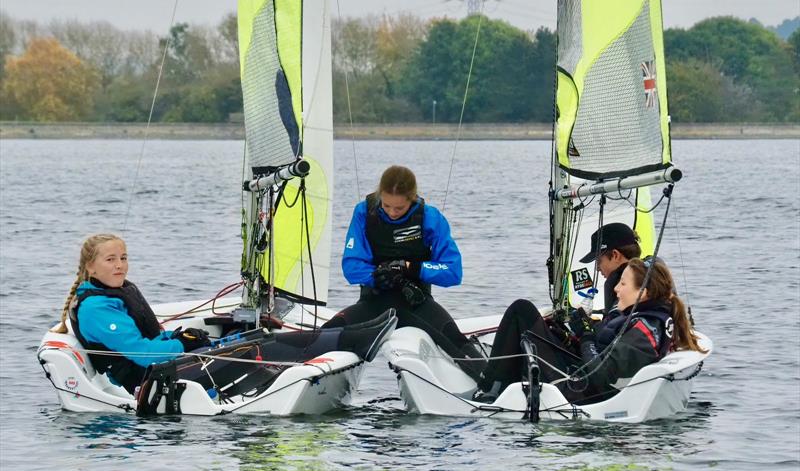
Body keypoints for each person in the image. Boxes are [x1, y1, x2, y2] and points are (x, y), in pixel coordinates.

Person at [52, 234, 398, 396]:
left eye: (123, 257)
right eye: (111, 259)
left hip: (163, 366)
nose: (120, 265)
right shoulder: (98, 307)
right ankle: (352, 338)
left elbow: (152, 341)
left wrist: (179, 338)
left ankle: (351, 333)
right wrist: (177, 346)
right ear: (90, 266)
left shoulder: (115, 294)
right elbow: (142, 355)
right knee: (254, 350)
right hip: (149, 381)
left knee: (253, 338)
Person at [324, 165, 484, 377]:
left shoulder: (430, 218)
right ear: (380, 195)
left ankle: (495, 387)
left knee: (457, 342)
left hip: (416, 304)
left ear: (412, 199)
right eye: (387, 205)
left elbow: (453, 272)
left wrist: (411, 269)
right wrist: (380, 275)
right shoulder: (364, 211)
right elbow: (351, 268)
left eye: (399, 208)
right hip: (374, 303)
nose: (391, 212)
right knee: (324, 335)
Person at [474, 257, 704, 404]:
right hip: (580, 375)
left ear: (643, 293)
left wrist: (586, 336)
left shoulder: (644, 331)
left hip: (580, 391)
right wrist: (571, 335)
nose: (615, 288)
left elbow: (600, 374)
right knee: (537, 323)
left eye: (623, 284)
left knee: (521, 311)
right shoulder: (640, 316)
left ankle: (487, 391)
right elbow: (599, 350)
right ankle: (499, 384)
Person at [579, 222, 642, 316]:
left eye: (599, 261)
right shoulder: (648, 278)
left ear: (615, 255)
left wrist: (584, 329)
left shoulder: (628, 289)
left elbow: (617, 328)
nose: (597, 269)